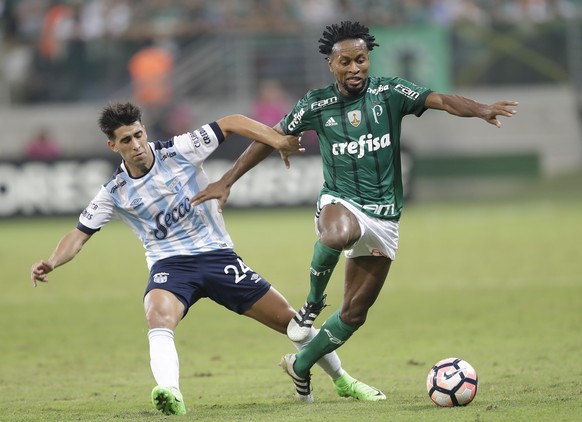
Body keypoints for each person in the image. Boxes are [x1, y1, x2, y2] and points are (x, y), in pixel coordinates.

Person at [191, 21, 518, 396]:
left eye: (360, 60)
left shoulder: (391, 91)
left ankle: (299, 364)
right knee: (337, 233)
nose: (355, 69)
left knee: (353, 313)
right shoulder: (317, 104)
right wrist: (227, 180)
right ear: (331, 65)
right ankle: (311, 304)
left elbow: (441, 100)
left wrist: (480, 109)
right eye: (345, 61)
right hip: (340, 201)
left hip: (385, 217)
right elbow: (272, 137)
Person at [29, 101, 386, 416]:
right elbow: (78, 235)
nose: (136, 145)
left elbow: (230, 122)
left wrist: (275, 139)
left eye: (138, 135)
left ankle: (344, 380)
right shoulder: (114, 192)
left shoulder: (178, 149)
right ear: (113, 145)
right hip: (170, 266)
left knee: (293, 324)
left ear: (144, 130)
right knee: (158, 316)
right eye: (126, 140)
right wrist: (51, 261)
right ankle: (170, 392)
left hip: (217, 257)